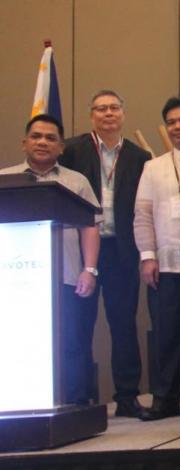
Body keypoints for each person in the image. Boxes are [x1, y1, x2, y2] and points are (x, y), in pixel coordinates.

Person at [60, 90, 150, 417]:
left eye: (114, 108)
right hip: (84, 251)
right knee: (79, 325)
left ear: (123, 114)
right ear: (91, 115)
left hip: (122, 251)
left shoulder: (140, 157)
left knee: (123, 325)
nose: (108, 113)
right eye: (101, 108)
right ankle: (79, 399)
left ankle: (127, 397)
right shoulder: (71, 150)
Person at [2, 115, 101, 406]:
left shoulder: (75, 181)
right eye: (36, 136)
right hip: (16, 281)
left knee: (72, 343)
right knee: (19, 344)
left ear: (61, 147)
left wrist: (90, 269)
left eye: (50, 138)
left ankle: (75, 405)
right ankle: (20, 402)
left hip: (67, 276)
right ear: (24, 143)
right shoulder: (5, 180)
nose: (42, 142)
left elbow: (90, 227)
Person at [133, 97, 180, 420]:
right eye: (172, 122)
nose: (178, 127)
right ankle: (164, 400)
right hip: (165, 265)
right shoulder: (153, 167)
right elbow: (142, 214)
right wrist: (147, 257)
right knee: (166, 334)